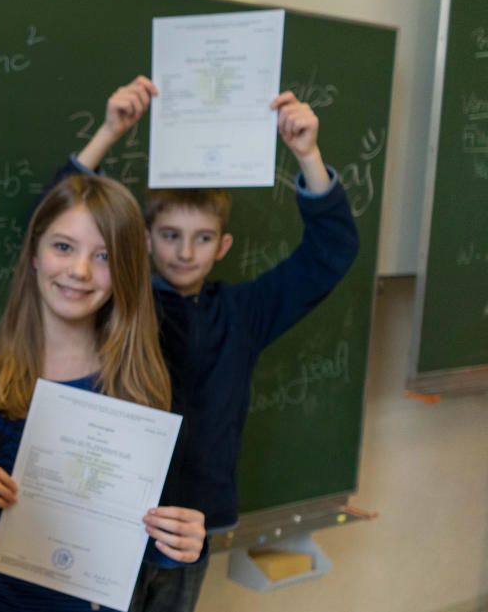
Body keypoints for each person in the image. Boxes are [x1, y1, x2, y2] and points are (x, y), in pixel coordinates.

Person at [55, 76, 360, 612]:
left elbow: (330, 254)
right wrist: (107, 133)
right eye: (171, 235)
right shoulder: (120, 301)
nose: (185, 252)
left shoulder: (245, 312)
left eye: (201, 239)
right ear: (146, 240)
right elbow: (56, 223)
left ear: (223, 246)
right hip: (111, 517)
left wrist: (307, 154)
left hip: (195, 523)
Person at [0, 172, 207, 611]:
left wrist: (178, 541)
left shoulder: (143, 389)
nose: (80, 271)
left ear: (125, 270)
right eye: (63, 247)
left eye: (104, 256)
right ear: (34, 254)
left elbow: (137, 536)